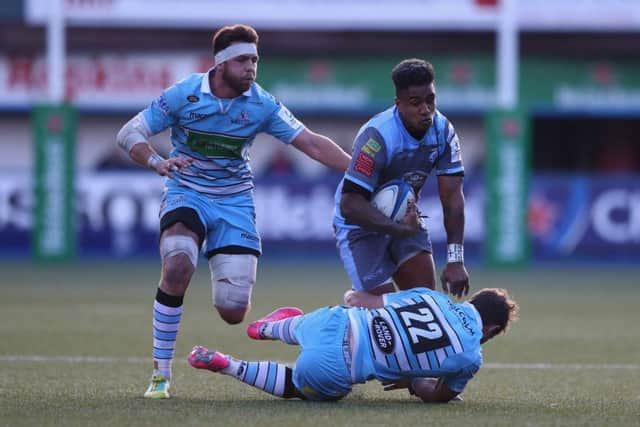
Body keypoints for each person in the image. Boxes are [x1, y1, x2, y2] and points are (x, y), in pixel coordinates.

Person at [115, 24, 350, 399]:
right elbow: (129, 133)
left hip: (234, 202)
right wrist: (156, 161)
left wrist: (361, 172)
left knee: (232, 310)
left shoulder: (262, 104)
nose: (251, 67)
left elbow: (311, 143)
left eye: (255, 60)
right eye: (243, 60)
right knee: (177, 263)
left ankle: (275, 321)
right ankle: (160, 375)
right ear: (221, 63)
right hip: (186, 192)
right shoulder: (184, 94)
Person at [188, 287, 518, 402]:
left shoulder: (431, 296)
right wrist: (415, 382)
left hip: (338, 319)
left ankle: (270, 328)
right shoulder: (471, 357)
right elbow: (438, 397)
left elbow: (369, 301)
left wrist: (352, 297)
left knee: (310, 323)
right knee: (301, 388)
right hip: (337, 367)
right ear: (489, 329)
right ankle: (228, 364)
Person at [333, 58, 469, 299]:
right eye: (415, 103)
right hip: (360, 227)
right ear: (398, 104)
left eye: (430, 100)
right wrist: (396, 228)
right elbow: (349, 204)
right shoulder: (377, 137)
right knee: (382, 316)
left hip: (406, 220)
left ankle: (362, 300)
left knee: (426, 306)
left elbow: (453, 199)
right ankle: (355, 302)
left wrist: (455, 260)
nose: (425, 110)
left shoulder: (444, 132)